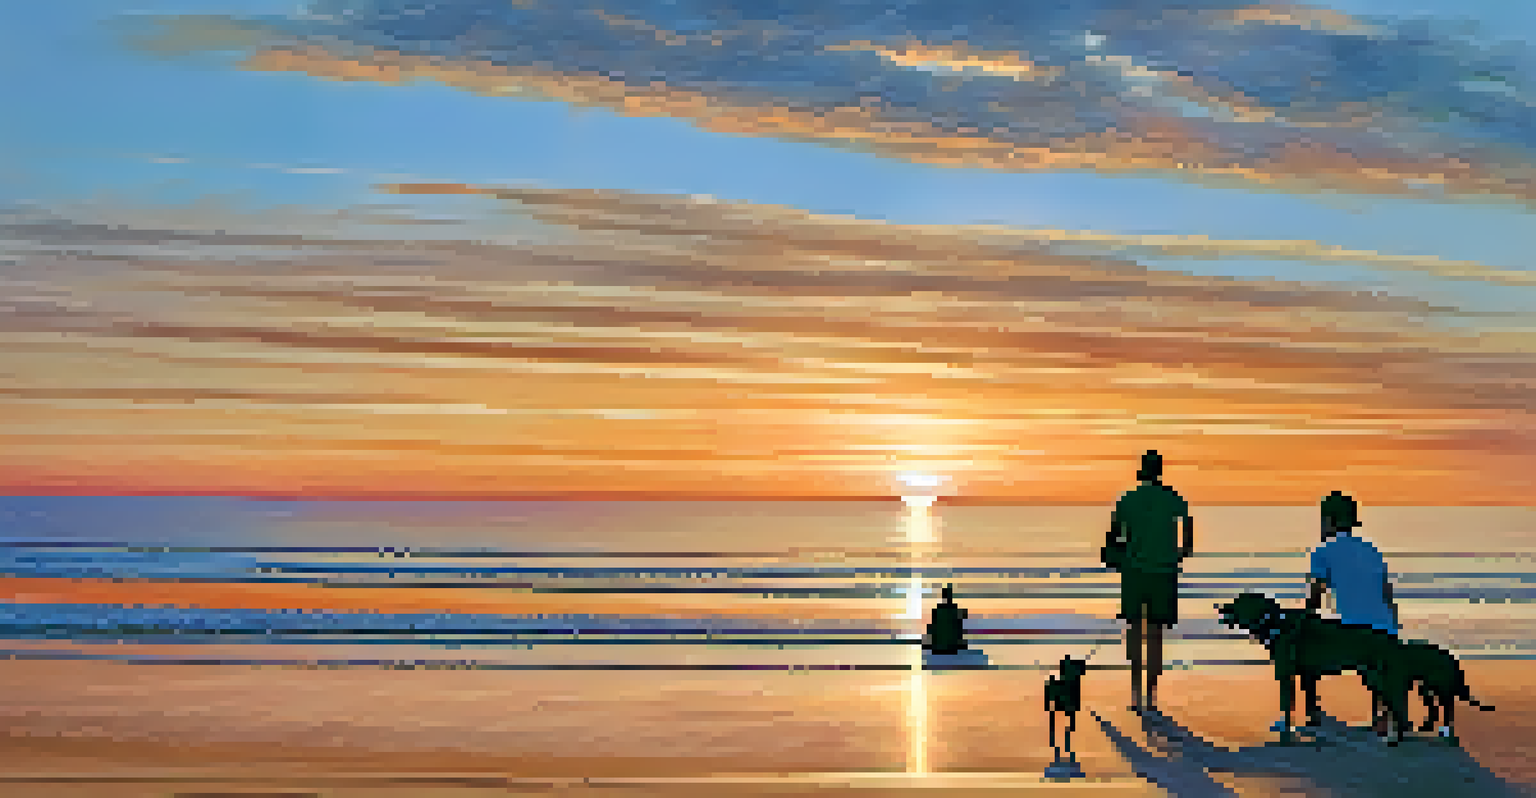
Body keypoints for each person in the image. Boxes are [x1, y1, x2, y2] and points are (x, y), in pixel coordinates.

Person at [1106, 450, 1193, 712]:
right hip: (1163, 573)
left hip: (1133, 573)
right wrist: (1177, 554)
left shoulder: (1128, 500)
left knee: (1134, 630)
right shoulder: (1173, 498)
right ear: (1159, 471)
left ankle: (1135, 690)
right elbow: (1187, 537)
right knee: (1155, 633)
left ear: (1142, 471)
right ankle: (1151, 694)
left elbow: (1113, 537)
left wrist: (1122, 557)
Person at [1306, 490, 1399, 731]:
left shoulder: (1322, 552)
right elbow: (1386, 595)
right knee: (1378, 666)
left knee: (1303, 648)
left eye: (1323, 519)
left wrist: (1304, 620)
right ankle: (1382, 715)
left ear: (1332, 521)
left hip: (1354, 632)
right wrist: (1394, 629)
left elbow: (1316, 597)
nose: (1321, 524)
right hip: (1385, 629)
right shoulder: (1371, 550)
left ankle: (1313, 712)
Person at [924, 584, 969, 655]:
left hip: (939, 647)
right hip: (951, 647)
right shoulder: (955, 611)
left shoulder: (938, 611)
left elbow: (931, 628)